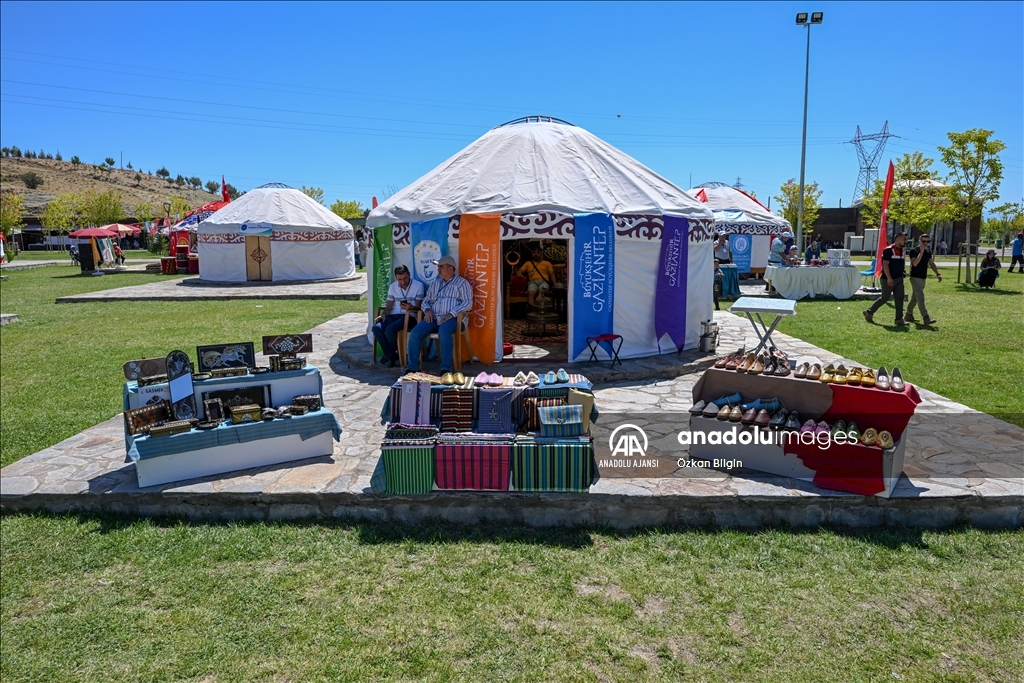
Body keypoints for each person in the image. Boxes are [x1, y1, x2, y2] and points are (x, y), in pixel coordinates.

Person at [405, 256, 473, 374]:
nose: (438, 269)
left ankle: (445, 368)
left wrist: (451, 314)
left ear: (450, 269)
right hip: (434, 317)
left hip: (454, 319)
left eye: (441, 267)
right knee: (415, 333)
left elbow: (467, 303)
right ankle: (413, 367)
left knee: (444, 331)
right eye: (438, 267)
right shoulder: (436, 283)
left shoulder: (462, 283)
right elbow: (426, 301)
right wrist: (427, 310)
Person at [372, 265, 425, 367]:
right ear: (396, 278)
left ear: (409, 274)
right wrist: (383, 315)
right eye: (399, 279)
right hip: (395, 315)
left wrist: (410, 307)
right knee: (376, 328)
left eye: (405, 278)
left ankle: (389, 355)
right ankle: (392, 355)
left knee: (390, 329)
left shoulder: (418, 286)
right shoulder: (393, 287)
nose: (403, 282)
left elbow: (419, 308)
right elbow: (388, 308)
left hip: (410, 316)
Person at [864, 231, 908, 326]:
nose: (906, 241)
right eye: (904, 239)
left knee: (899, 298)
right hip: (888, 279)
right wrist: (889, 278)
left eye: (906, 240)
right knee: (885, 298)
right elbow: (885, 265)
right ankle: (869, 312)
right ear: (897, 239)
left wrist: (903, 271)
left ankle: (899, 319)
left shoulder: (902, 250)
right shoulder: (888, 250)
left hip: (899, 279)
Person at [905, 235, 942, 325]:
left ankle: (908, 315)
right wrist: (921, 252)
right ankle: (926, 317)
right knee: (920, 297)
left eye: (928, 241)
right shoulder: (914, 251)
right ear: (919, 241)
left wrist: (937, 273)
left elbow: (931, 263)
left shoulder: (928, 251)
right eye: (924, 241)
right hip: (915, 277)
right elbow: (915, 264)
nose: (926, 243)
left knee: (915, 298)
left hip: (923, 278)